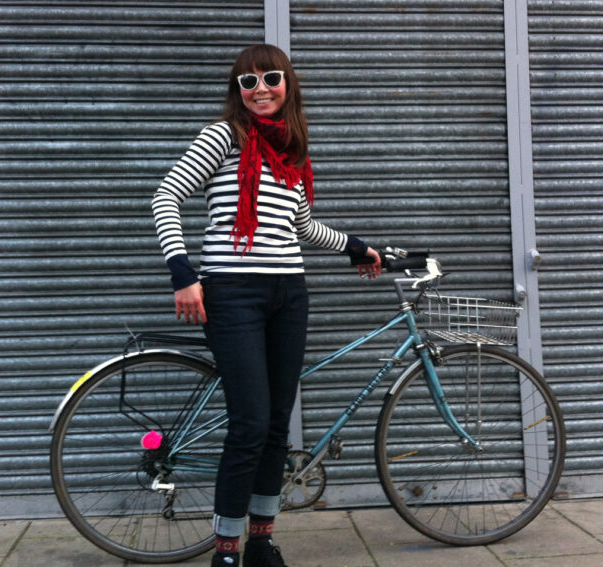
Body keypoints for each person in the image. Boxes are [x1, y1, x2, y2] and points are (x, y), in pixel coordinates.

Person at [151, 44, 382, 567]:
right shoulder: (224, 136)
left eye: (271, 78)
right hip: (232, 293)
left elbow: (301, 227)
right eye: (248, 82)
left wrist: (356, 247)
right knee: (251, 425)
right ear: (237, 92)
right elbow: (166, 195)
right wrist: (182, 274)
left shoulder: (291, 152)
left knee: (276, 426)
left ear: (288, 84)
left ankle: (260, 543)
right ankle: (225, 553)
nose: (260, 90)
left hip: (288, 295)